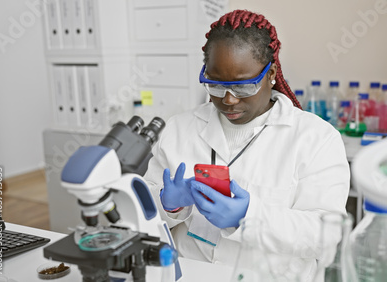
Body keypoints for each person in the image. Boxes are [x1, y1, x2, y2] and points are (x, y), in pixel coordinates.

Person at [144, 9, 350, 280]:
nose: (229, 99)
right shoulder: (179, 129)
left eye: (242, 87)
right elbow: (141, 218)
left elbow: (327, 236)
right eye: (216, 85)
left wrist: (248, 217)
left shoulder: (316, 138)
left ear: (271, 73)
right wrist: (167, 205)